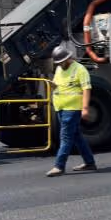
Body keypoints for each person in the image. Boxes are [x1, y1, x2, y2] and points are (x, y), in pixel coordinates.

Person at [45, 45, 96, 177]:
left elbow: (86, 89)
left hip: (72, 109)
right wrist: (52, 85)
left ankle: (59, 166)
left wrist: (85, 108)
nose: (59, 64)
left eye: (61, 62)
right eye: (58, 63)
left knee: (66, 137)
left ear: (68, 58)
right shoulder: (59, 69)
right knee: (76, 136)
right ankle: (89, 162)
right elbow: (59, 85)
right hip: (60, 108)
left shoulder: (80, 69)